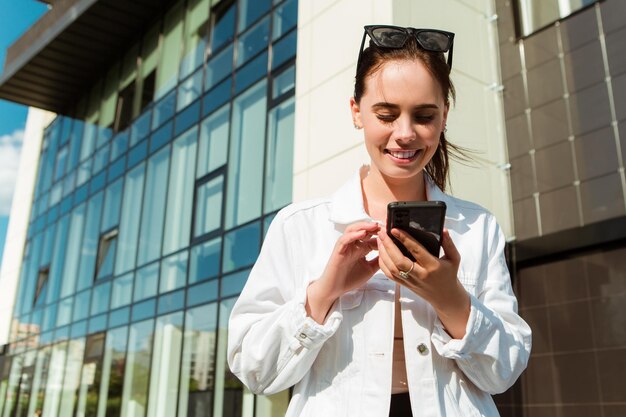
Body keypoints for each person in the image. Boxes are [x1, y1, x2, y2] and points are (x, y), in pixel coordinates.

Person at [227, 25, 532, 417]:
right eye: (386, 114)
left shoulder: (477, 228)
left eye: (424, 116)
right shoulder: (300, 226)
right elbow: (254, 370)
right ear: (356, 112)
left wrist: (450, 298)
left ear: (444, 116)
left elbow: (504, 373)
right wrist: (323, 292)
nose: (404, 134)